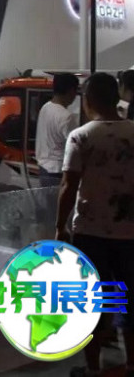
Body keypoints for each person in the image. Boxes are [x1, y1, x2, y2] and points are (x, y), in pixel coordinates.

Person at [56, 72, 134, 377]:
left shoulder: (81, 137)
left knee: (95, 300)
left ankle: (92, 367)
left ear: (88, 101)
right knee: (129, 298)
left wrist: (60, 226)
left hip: (91, 233)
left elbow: (68, 186)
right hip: (130, 232)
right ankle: (131, 363)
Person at [35, 73, 80, 188]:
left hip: (43, 168)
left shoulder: (45, 107)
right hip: (58, 171)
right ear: (71, 91)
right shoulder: (66, 116)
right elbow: (77, 146)